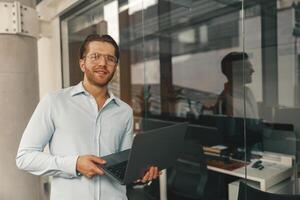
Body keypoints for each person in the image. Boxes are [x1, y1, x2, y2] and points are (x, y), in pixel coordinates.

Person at [16, 34, 159, 200]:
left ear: (115, 66)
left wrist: (140, 172)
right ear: (82, 63)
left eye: (110, 59)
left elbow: (123, 165)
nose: (103, 63)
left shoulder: (124, 111)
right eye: (95, 56)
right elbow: (25, 157)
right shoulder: (54, 102)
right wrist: (74, 164)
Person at [215, 51, 259, 118]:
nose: (252, 70)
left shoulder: (248, 92)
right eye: (247, 67)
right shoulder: (226, 100)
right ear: (235, 70)